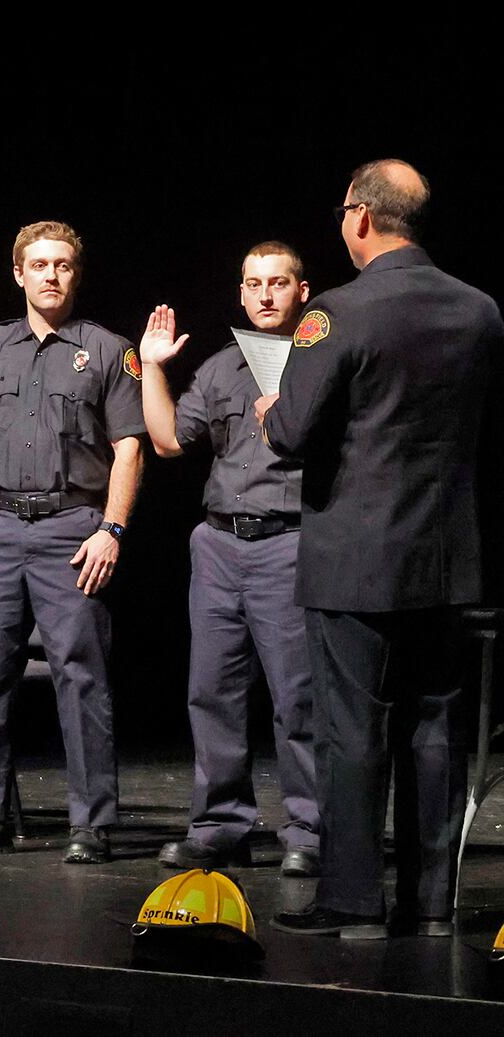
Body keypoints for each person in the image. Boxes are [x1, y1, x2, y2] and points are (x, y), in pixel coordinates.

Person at [261, 160, 501, 937]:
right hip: (448, 558)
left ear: (360, 216)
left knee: (352, 731)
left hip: (355, 560)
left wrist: (271, 406)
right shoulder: (481, 311)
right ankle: (431, 906)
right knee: (437, 730)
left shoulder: (338, 312)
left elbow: (291, 433)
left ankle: (353, 901)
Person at [0, 223, 145, 863]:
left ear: (76, 273)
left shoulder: (107, 350)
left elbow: (129, 448)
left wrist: (111, 530)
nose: (50, 275)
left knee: (81, 677)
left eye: (62, 264)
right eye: (38, 264)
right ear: (18, 274)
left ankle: (91, 824)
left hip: (74, 530)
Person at [138, 242, 320, 876]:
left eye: (278, 282)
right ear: (241, 294)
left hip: (288, 542)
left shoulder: (324, 364)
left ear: (302, 291)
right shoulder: (220, 369)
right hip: (218, 545)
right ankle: (219, 825)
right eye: (253, 283)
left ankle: (310, 829)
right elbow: (165, 442)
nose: (265, 294)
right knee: (212, 692)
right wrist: (154, 368)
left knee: (297, 696)